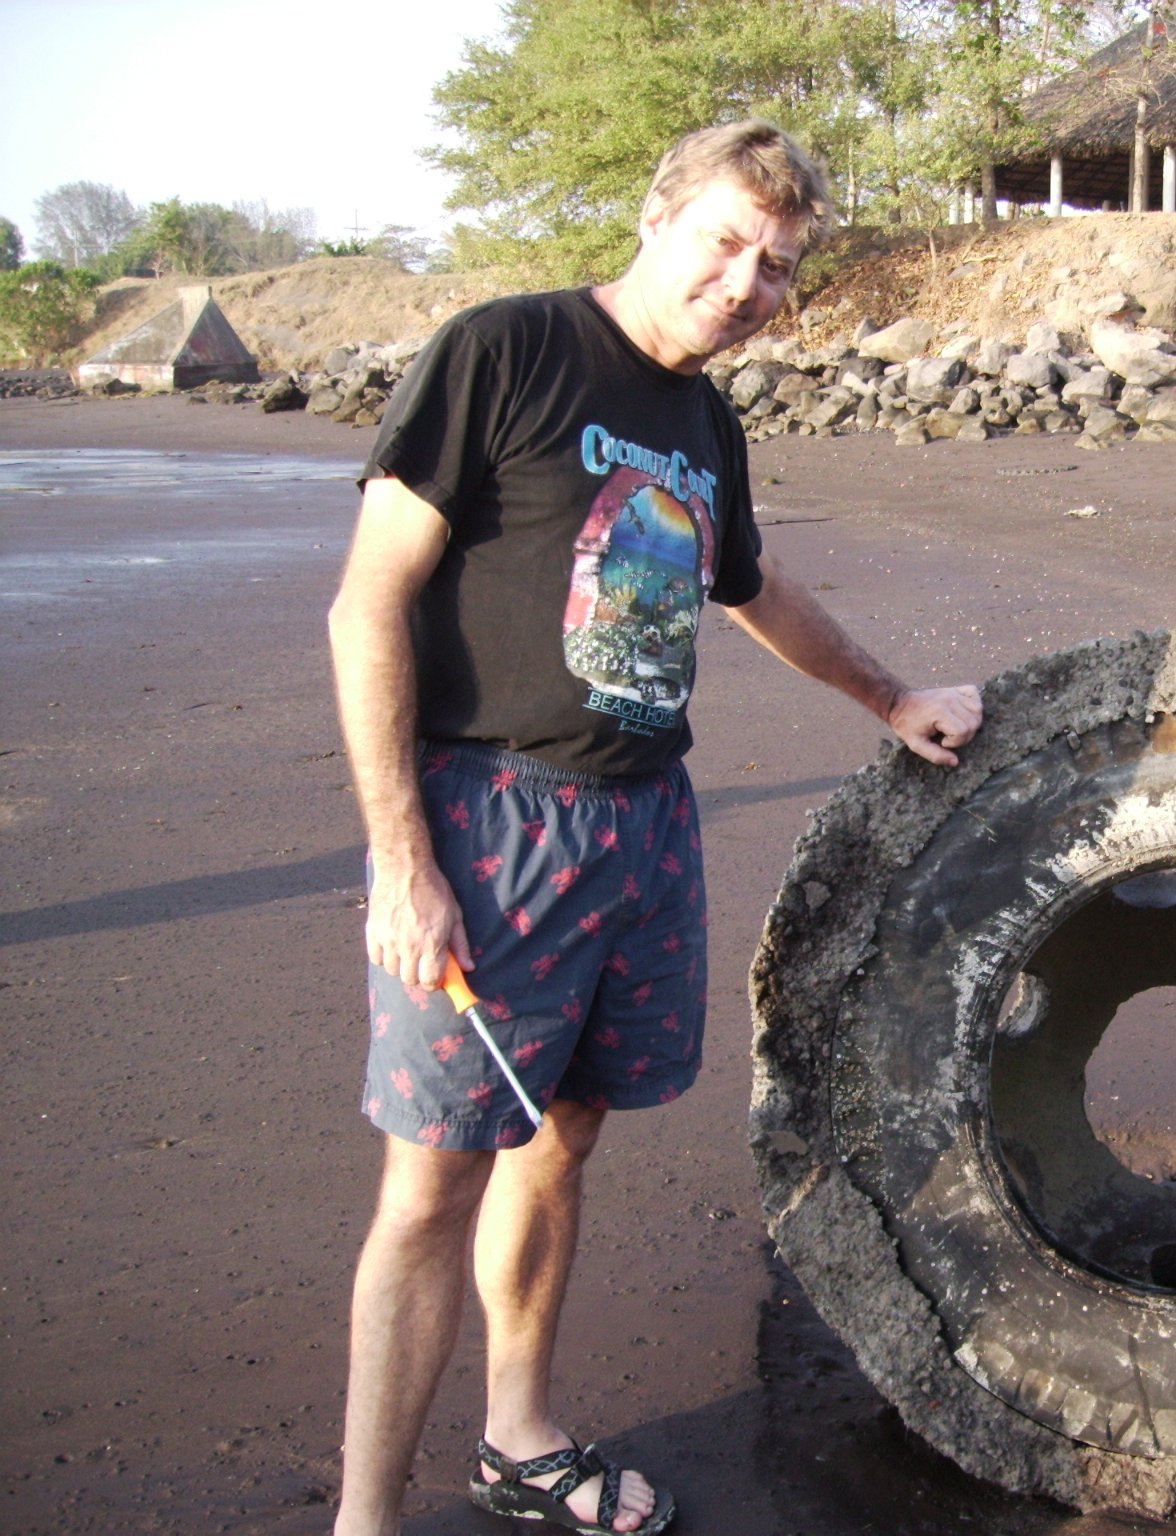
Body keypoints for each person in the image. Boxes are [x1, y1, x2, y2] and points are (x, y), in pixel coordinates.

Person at [324, 119, 982, 1536]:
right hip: (490, 822)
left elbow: (751, 586)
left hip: (642, 826)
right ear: (658, 212)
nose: (746, 283)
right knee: (429, 1187)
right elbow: (369, 601)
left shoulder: (707, 422)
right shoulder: (504, 351)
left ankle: (519, 1437)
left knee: (563, 1139)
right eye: (727, 242)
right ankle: (364, 1522)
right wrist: (403, 860)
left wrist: (887, 697)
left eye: (780, 268)